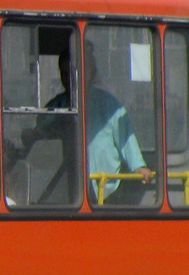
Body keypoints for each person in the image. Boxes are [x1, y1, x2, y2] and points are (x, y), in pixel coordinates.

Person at [43, 46, 153, 203]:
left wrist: (138, 165)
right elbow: (42, 136)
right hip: (66, 183)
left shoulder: (109, 105)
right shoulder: (55, 105)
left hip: (106, 186)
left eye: (73, 72)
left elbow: (125, 137)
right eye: (64, 73)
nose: (68, 78)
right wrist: (33, 135)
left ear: (88, 72)